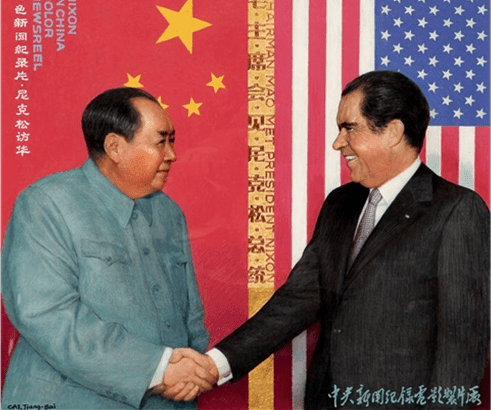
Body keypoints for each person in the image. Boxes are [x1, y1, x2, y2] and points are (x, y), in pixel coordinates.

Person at [171, 70, 491, 409]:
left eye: (349, 128)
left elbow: (463, 348)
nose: (338, 142)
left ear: (393, 132)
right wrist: (214, 365)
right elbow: (296, 301)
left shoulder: (458, 210)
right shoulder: (340, 203)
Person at [1, 87, 217, 409]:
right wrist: (158, 370)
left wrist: (192, 373)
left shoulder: (170, 213)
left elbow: (191, 318)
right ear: (114, 147)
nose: (172, 155)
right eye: (161, 142)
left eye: (172, 141)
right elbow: (47, 316)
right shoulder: (45, 204)